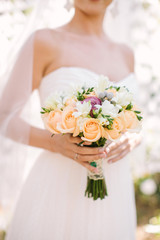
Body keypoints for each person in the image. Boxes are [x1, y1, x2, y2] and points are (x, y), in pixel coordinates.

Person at [2, 0, 141, 239]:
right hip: (58, 189)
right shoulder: (44, 41)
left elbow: (137, 123)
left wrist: (133, 138)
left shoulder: (126, 53)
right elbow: (4, 116)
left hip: (115, 190)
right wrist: (54, 142)